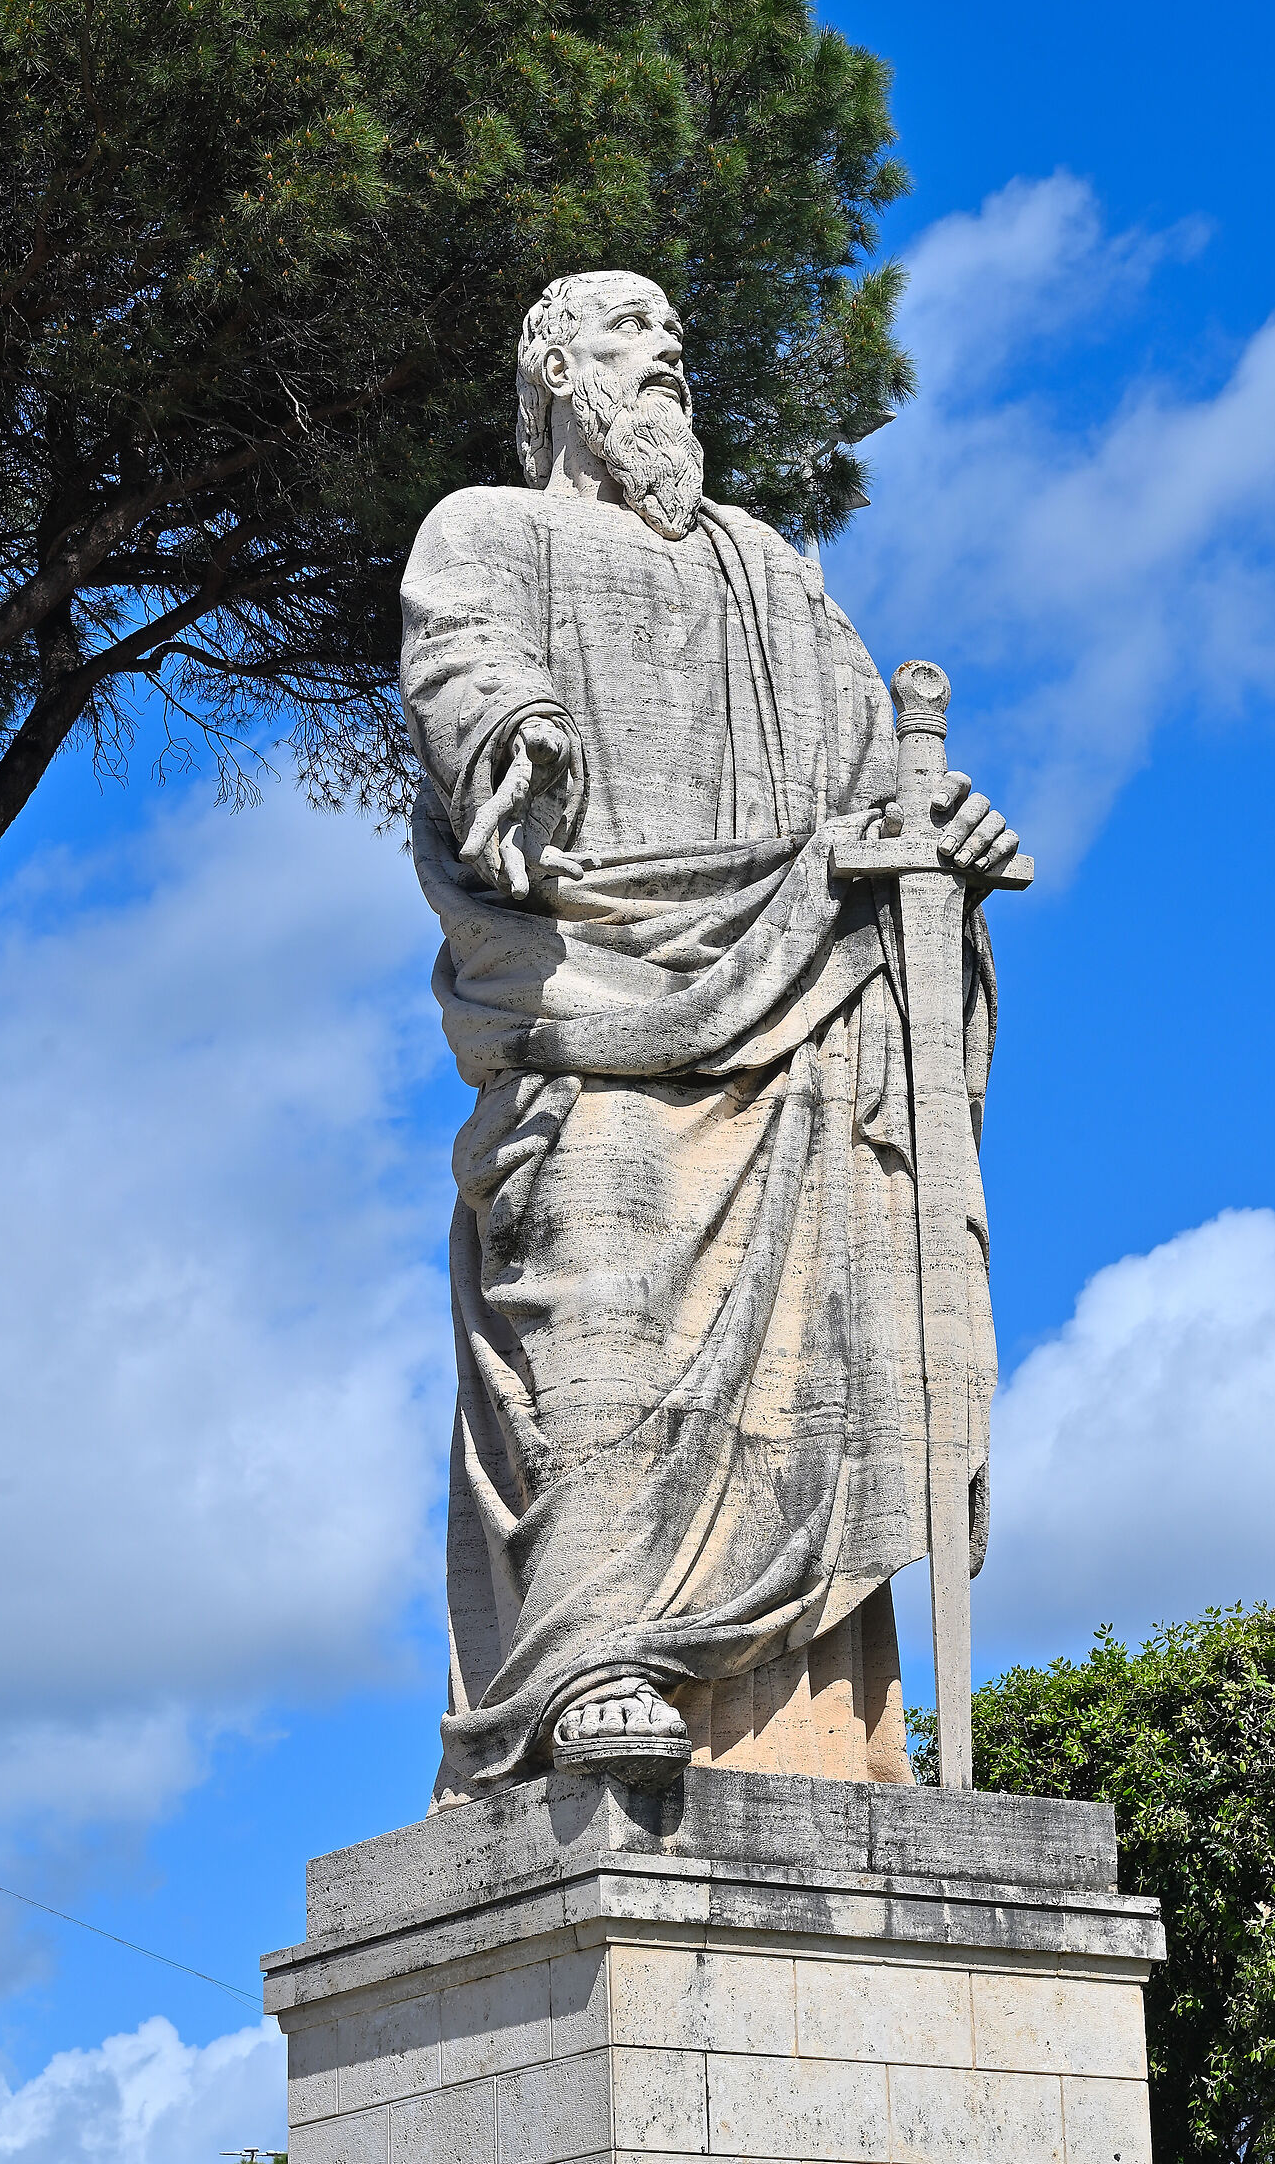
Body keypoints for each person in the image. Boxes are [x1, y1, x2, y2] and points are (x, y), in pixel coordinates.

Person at [400, 270, 1018, 1805]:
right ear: (554, 370)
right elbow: (462, 668)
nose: (663, 355)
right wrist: (513, 737)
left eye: (673, 336)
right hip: (591, 999)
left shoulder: (770, 570)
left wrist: (936, 828)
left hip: (802, 1007)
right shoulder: (489, 528)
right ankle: (585, 1664)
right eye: (625, 334)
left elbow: (873, 782)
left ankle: (823, 1733)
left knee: (831, 1358)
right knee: (592, 1295)